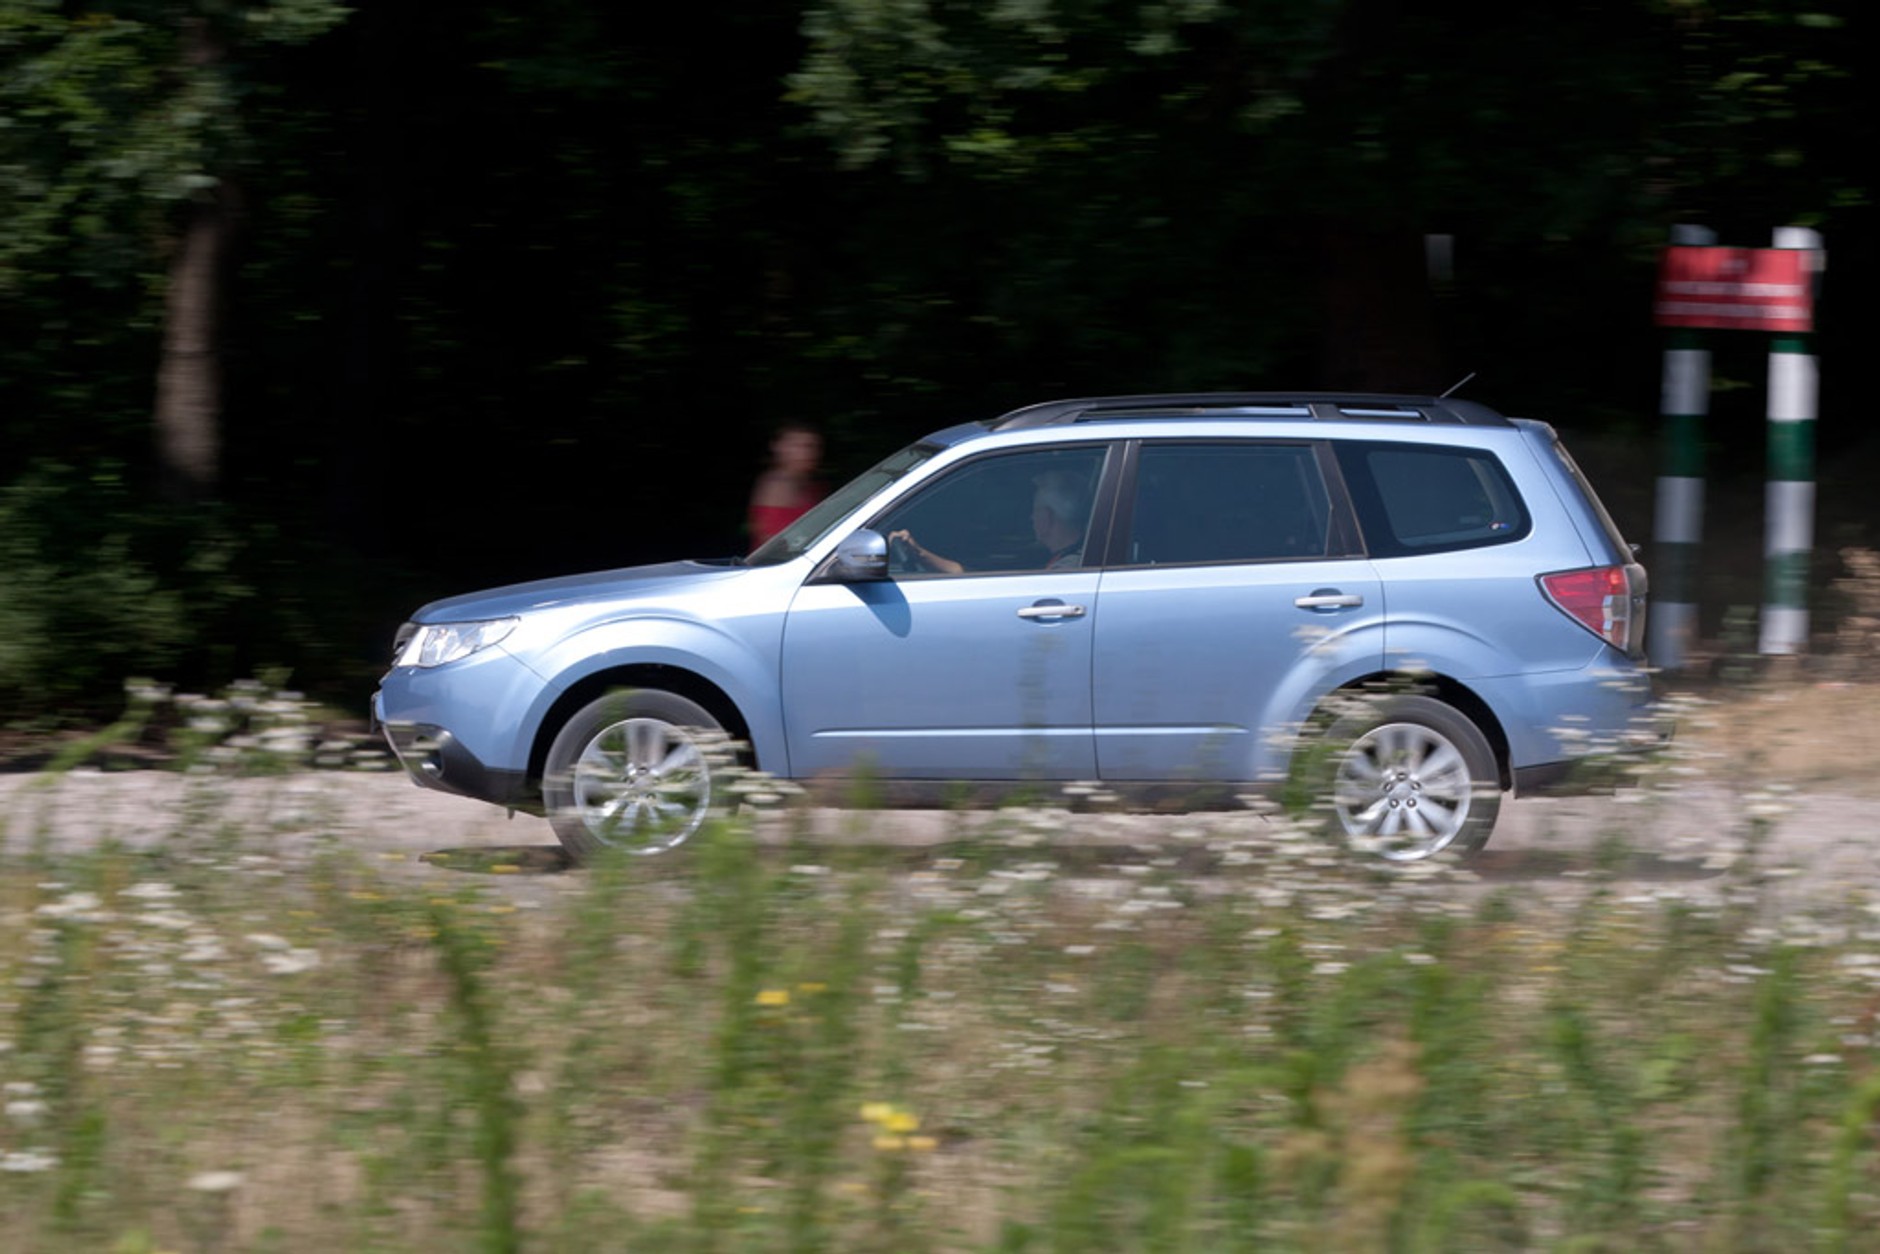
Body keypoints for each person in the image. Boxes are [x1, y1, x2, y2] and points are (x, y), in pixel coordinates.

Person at [890, 469, 1088, 575]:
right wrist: (919, 553)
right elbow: (966, 576)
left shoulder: (1066, 570)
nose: (1031, 518)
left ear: (1046, 517)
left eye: (1034, 511)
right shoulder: (1062, 559)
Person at [747, 423, 824, 547]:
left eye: (811, 446)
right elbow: (771, 541)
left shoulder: (811, 485)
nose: (806, 453)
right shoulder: (774, 485)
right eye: (796, 446)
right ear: (778, 447)